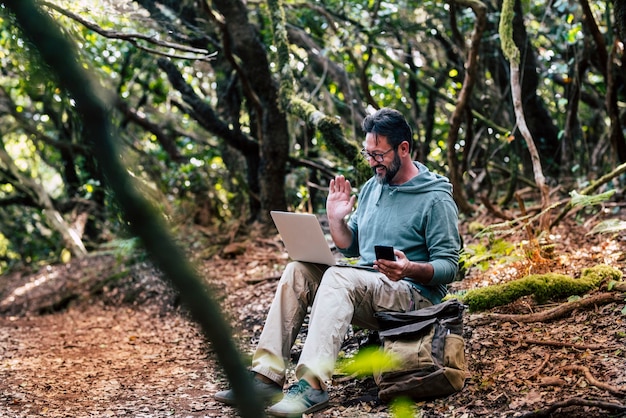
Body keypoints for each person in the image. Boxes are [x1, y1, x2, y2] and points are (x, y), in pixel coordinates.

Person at [214, 107, 461, 417]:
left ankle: (312, 386)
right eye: (368, 154)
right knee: (298, 271)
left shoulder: (435, 198)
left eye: (378, 155)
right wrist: (335, 219)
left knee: (339, 277)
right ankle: (265, 376)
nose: (372, 162)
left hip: (413, 294)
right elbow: (351, 245)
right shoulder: (373, 188)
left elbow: (450, 268)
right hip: (369, 285)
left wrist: (408, 267)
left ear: (403, 148)